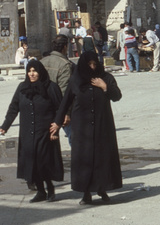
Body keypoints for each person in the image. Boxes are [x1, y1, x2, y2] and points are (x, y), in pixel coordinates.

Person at [51, 51, 123, 205]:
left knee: (102, 158)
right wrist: (57, 122)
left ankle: (102, 189)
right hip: (82, 128)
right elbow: (65, 102)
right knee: (84, 160)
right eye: (89, 64)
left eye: (95, 64)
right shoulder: (76, 80)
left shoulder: (105, 78)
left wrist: (105, 87)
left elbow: (117, 96)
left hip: (102, 126)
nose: (92, 67)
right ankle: (86, 194)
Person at [0, 59, 64, 202]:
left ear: (40, 72)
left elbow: (60, 108)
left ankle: (50, 188)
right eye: (29, 71)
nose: (32, 74)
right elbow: (14, 107)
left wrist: (57, 126)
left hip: (45, 131)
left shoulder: (51, 87)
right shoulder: (22, 87)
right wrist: (5, 126)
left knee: (43, 162)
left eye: (34, 71)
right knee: (31, 162)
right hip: (27, 132)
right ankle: (40, 191)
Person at [39, 34, 74, 145]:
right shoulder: (65, 64)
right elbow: (65, 90)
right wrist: (66, 112)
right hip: (59, 107)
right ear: (65, 47)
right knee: (74, 138)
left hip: (43, 106)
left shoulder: (42, 61)